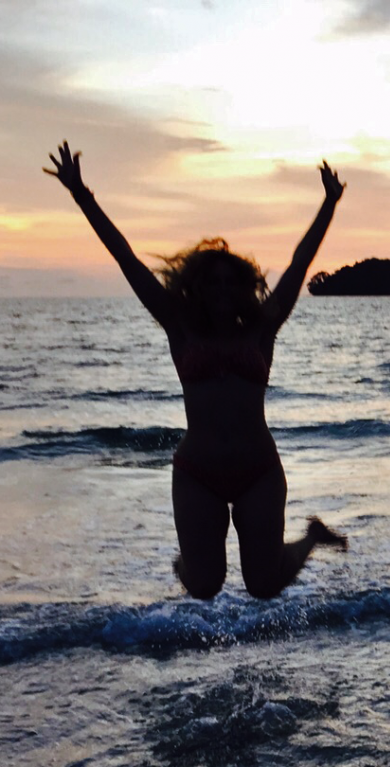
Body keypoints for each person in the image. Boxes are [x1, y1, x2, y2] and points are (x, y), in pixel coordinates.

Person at [45, 141, 348, 599]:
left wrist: (328, 204)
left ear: (245, 287)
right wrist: (82, 196)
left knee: (263, 585)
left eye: (232, 282)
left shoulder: (262, 329)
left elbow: (299, 263)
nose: (223, 290)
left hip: (259, 470)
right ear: (197, 288)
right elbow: (126, 258)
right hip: (197, 471)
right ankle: (187, 560)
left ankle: (311, 538)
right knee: (204, 585)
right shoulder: (180, 326)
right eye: (213, 282)